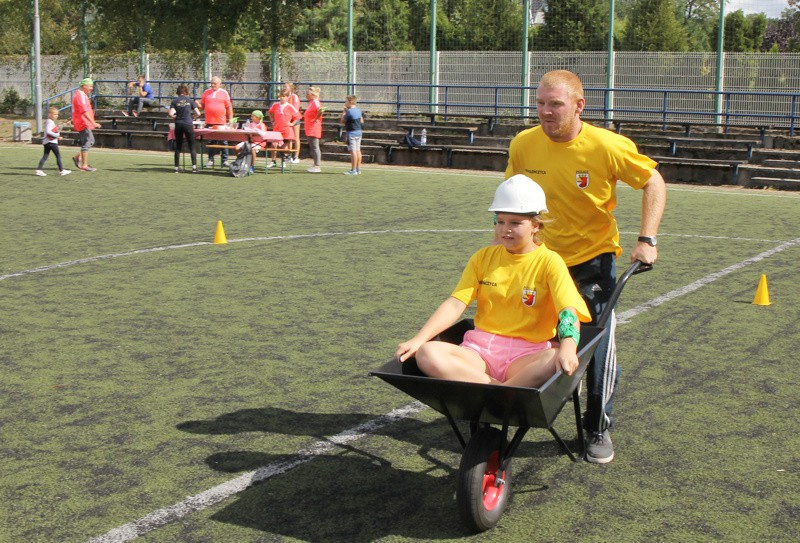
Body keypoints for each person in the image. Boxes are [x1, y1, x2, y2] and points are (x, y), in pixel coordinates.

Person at [505, 69, 666, 463]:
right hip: (540, 261)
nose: (545, 111)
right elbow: (513, 200)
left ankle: (596, 428)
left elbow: (653, 181)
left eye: (555, 104)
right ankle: (512, 406)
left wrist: (647, 238)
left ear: (579, 105)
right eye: (540, 103)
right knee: (523, 334)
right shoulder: (524, 144)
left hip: (591, 263)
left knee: (595, 346)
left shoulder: (607, 146)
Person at [396, 175, 591, 389]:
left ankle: (491, 393)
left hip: (528, 354)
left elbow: (567, 311)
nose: (505, 229)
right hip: (479, 353)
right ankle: (502, 392)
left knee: (552, 358)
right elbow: (456, 303)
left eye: (515, 223)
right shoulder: (483, 257)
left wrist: (569, 347)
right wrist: (418, 340)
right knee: (428, 353)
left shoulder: (550, 261)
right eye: (500, 221)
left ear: (535, 225)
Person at [199, 76, 234, 168]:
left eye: (214, 83)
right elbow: (202, 106)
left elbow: (229, 107)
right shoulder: (206, 92)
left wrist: (230, 120)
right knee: (211, 142)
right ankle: (210, 160)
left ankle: (225, 160)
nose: (212, 85)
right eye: (212, 83)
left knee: (224, 142)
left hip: (221, 122)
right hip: (210, 122)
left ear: (219, 84)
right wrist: (196, 104)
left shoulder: (224, 93)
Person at [168, 84, 200, 174]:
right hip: (188, 123)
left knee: (178, 146)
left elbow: (171, 114)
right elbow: (198, 113)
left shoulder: (175, 101)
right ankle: (194, 167)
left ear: (178, 92)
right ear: (186, 92)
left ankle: (176, 168)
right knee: (192, 145)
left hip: (178, 124)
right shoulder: (190, 101)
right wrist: (193, 117)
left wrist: (175, 117)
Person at [71, 77, 101, 172]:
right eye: (90, 86)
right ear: (84, 86)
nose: (91, 88)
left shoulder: (81, 95)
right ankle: (84, 165)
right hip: (83, 122)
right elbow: (83, 111)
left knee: (89, 141)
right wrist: (93, 122)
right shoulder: (80, 96)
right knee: (88, 141)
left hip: (83, 122)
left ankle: (78, 158)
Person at [267, 89, 300, 169]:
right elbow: (270, 112)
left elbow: (298, 116)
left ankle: (283, 161)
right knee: (274, 144)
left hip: (286, 129)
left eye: (284, 96)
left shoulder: (290, 106)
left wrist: (292, 123)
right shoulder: (275, 105)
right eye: (281, 96)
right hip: (277, 128)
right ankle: (273, 161)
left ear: (287, 98)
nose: (282, 98)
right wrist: (272, 119)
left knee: (284, 146)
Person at [35, 107, 71, 177]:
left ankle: (39, 170)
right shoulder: (50, 122)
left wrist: (57, 137)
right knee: (58, 156)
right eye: (54, 114)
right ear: (50, 114)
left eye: (57, 114)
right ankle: (62, 171)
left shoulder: (49, 122)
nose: (56, 115)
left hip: (47, 142)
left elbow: (50, 132)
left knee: (45, 156)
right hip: (51, 142)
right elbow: (48, 132)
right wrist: (57, 135)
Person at [341, 95, 363, 175]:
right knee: (358, 150)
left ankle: (353, 170)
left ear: (350, 102)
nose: (345, 103)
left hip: (352, 133)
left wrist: (344, 112)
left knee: (353, 151)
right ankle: (358, 169)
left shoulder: (349, 111)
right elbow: (361, 121)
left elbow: (342, 121)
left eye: (346, 101)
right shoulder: (358, 110)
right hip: (359, 132)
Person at [304, 86, 324, 173]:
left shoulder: (315, 102)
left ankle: (317, 166)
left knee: (315, 146)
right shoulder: (311, 102)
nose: (306, 95)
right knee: (312, 146)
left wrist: (316, 118)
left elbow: (321, 110)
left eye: (307, 94)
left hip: (314, 127)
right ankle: (315, 164)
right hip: (309, 127)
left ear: (312, 95)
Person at [284, 82, 302, 164]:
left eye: (286, 87)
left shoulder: (294, 97)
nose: (285, 88)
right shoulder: (285, 97)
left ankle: (296, 156)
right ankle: (288, 156)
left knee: (296, 137)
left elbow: (295, 109)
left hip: (294, 119)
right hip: (287, 119)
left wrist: (292, 118)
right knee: (288, 138)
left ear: (291, 88)